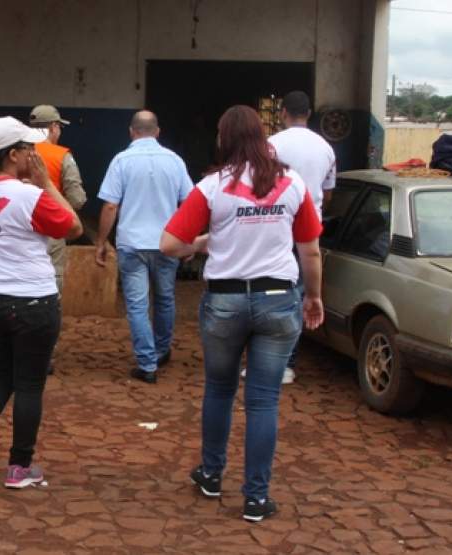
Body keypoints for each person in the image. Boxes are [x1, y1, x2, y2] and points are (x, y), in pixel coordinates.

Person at [160, 105, 324, 522]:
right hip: (278, 300)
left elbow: (168, 245)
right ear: (262, 136)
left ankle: (211, 476)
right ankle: (256, 497)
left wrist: (200, 243)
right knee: (264, 401)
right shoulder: (292, 184)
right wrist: (314, 297)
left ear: (224, 139)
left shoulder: (212, 187)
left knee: (219, 390)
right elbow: (310, 249)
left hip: (225, 302)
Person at [0, 117, 83, 489]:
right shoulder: (29, 196)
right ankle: (19, 468)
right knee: (29, 384)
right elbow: (74, 227)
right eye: (29, 150)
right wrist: (46, 183)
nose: (35, 155)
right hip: (33, 302)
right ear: (13, 155)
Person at [95, 110, 194, 384]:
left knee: (137, 305)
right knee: (165, 299)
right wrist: (188, 240)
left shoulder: (121, 161)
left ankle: (147, 363)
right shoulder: (175, 161)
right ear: (158, 131)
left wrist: (101, 242)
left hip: (132, 244)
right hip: (167, 243)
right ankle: (162, 350)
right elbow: (189, 203)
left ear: (131, 132)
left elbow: (111, 205)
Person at [266, 90, 336, 384]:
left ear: (282, 113)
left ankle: (270, 361)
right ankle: (287, 364)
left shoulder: (271, 145)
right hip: (310, 229)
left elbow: (260, 186)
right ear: (309, 114)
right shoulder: (326, 148)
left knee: (269, 291)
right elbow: (329, 194)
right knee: (295, 295)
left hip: (276, 226)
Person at [29, 105, 88, 294]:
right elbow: (77, 199)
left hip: (20, 227)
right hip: (50, 230)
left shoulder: (16, 153)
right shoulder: (61, 155)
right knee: (51, 285)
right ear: (54, 127)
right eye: (59, 127)